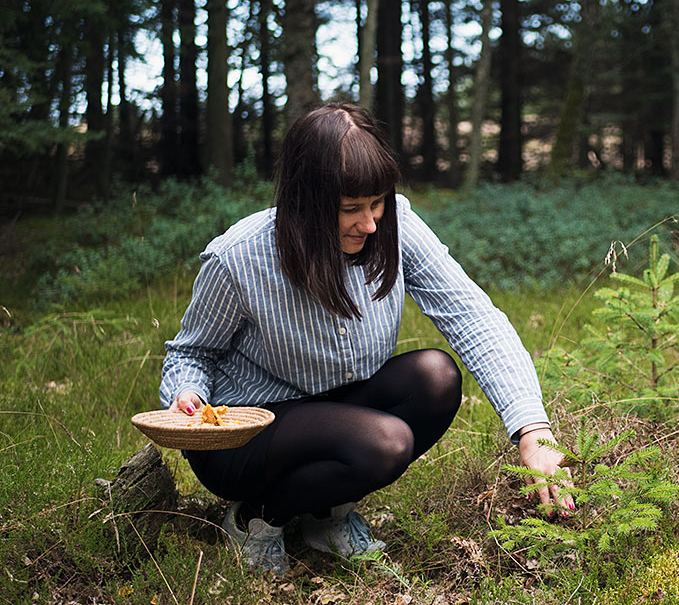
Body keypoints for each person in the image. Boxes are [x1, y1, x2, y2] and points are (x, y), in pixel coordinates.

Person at [160, 103, 570, 576]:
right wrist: (186, 394)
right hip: (248, 433)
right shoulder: (239, 257)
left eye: (376, 202)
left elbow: (475, 317)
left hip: (340, 408)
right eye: (350, 209)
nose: (371, 223)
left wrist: (531, 430)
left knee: (435, 376)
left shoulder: (395, 225)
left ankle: (324, 515)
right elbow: (192, 352)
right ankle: (256, 516)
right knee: (385, 443)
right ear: (304, 204)